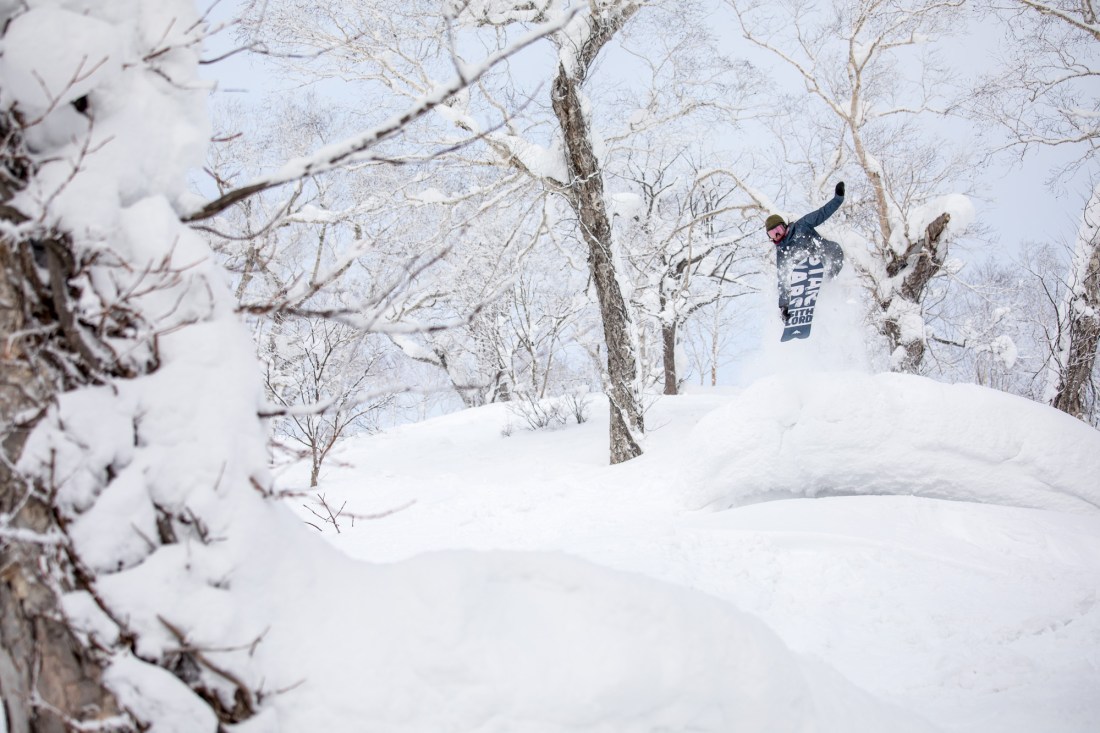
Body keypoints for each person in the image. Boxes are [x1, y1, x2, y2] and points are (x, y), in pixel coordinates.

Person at [764, 181, 846, 322]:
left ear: (785, 226)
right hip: (804, 269)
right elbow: (782, 279)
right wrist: (783, 306)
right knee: (786, 271)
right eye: (772, 234)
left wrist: (838, 198)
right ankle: (808, 288)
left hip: (824, 254)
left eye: (778, 230)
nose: (777, 236)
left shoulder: (802, 225)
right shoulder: (781, 252)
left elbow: (823, 213)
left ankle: (825, 276)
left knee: (833, 249)